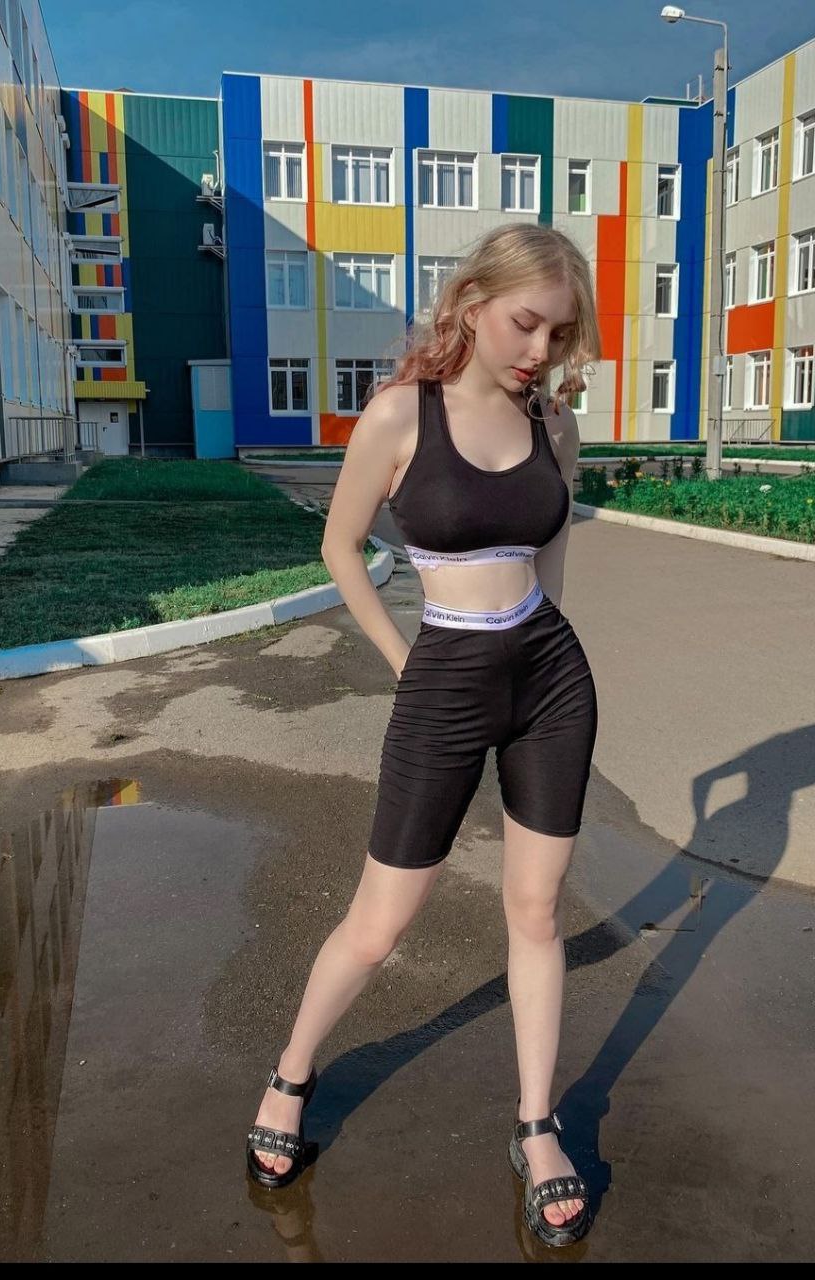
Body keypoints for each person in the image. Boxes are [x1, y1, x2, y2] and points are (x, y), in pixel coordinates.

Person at [246, 223, 601, 1248]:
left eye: (557, 332)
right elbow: (339, 546)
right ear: (471, 302)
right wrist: (405, 660)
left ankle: (535, 1125)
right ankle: (289, 1076)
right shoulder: (403, 414)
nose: (538, 348)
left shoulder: (553, 425)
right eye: (524, 321)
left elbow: (550, 556)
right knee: (380, 921)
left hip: (549, 680)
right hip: (442, 676)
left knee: (535, 911)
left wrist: (547, 651)